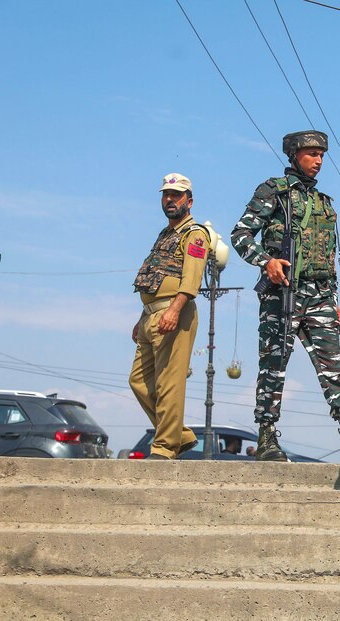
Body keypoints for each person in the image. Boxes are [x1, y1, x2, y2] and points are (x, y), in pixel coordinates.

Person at [231, 130, 340, 462]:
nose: (318, 160)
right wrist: (267, 262)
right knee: (273, 366)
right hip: (283, 294)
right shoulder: (273, 193)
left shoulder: (323, 203)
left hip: (320, 295)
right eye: (311, 154)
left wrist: (334, 300)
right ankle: (266, 436)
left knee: (333, 365)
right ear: (294, 155)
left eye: (321, 155)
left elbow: (327, 255)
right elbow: (241, 234)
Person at [129, 173, 210, 460]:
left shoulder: (195, 234)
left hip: (174, 310)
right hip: (151, 313)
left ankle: (164, 447)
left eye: (176, 195)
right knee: (138, 380)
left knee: (169, 382)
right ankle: (180, 434)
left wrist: (174, 309)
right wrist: (142, 318)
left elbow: (191, 277)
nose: (170, 200)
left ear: (189, 200)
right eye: (166, 195)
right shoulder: (165, 234)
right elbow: (154, 277)